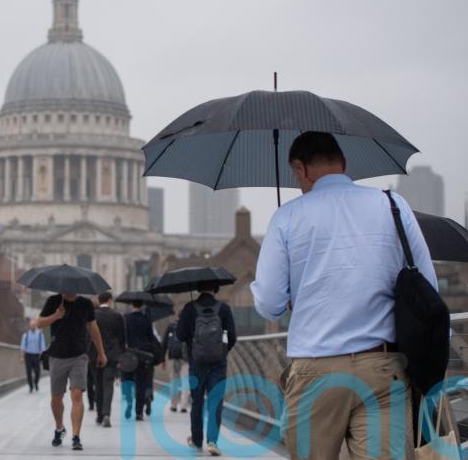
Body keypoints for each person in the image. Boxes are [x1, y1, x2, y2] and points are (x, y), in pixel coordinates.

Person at [250, 131, 437, 460]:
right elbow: (427, 286)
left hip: (316, 370)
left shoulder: (288, 217)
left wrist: (296, 293)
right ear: (344, 164)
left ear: (300, 168)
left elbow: (269, 304)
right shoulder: (393, 206)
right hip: (383, 366)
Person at [37, 293, 107, 451]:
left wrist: (101, 352)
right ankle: (60, 428)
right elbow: (39, 323)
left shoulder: (86, 303)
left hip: (79, 355)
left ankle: (76, 436)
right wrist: (56, 315)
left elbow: (93, 327)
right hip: (57, 355)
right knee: (56, 398)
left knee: (77, 394)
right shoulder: (53, 301)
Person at [177, 285, 236, 456]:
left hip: (196, 363)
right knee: (215, 401)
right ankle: (212, 441)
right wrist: (222, 352)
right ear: (216, 288)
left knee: (197, 402)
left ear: (198, 289)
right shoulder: (224, 309)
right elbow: (232, 336)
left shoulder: (189, 308)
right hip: (219, 363)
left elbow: (180, 335)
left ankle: (196, 440)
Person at [90, 291, 127, 428]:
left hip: (94, 355)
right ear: (110, 300)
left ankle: (99, 415)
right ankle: (106, 413)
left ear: (99, 301)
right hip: (111, 356)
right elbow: (122, 338)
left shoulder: (93, 315)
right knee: (108, 385)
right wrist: (121, 353)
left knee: (97, 385)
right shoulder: (117, 316)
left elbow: (88, 335)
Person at [121, 300, 158, 421]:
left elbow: (122, 337)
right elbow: (151, 338)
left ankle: (129, 401)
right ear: (142, 305)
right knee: (141, 384)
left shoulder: (125, 318)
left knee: (127, 380)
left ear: (132, 305)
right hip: (142, 356)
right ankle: (139, 412)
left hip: (128, 355)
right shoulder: (146, 319)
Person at [162, 312, 190, 413]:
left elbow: (164, 342)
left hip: (173, 358)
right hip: (186, 359)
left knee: (174, 382)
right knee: (186, 382)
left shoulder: (171, 326)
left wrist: (162, 359)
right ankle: (183, 405)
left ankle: (173, 405)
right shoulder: (190, 326)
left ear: (177, 317)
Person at [20, 319, 46, 393]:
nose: (33, 326)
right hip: (28, 355)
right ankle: (31, 386)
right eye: (31, 325)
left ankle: (36, 383)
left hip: (36, 355)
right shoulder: (26, 335)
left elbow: (43, 346)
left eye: (34, 325)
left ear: (36, 326)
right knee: (28, 372)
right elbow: (22, 346)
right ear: (29, 326)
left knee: (37, 372)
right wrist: (21, 357)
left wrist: (43, 356)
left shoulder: (40, 335)